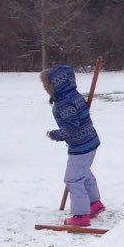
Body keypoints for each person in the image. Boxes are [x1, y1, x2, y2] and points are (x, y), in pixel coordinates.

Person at [42, 64, 104, 227]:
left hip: (81, 145)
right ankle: (94, 204)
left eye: (47, 84)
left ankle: (81, 215)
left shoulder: (64, 102)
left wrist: (54, 134)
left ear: (56, 84)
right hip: (90, 141)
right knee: (83, 172)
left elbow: (71, 128)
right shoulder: (72, 95)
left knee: (73, 179)